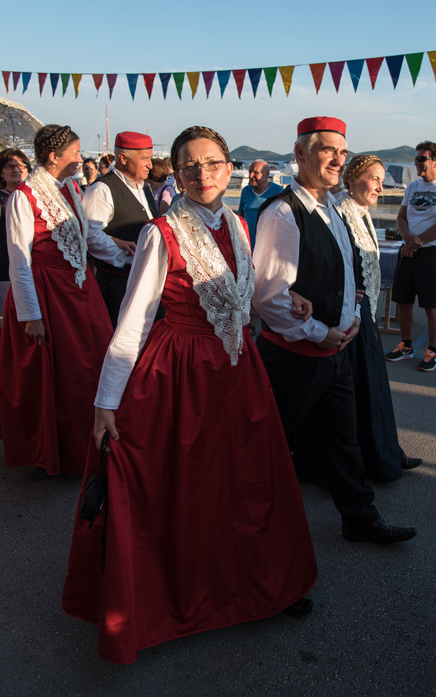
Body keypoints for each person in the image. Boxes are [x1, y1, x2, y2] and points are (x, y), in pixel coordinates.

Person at [62, 125, 317, 665]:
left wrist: (292, 303)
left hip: (237, 371)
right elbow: (133, 321)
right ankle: (181, 598)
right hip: (180, 374)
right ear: (174, 175)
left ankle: (257, 585)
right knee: (187, 491)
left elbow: (243, 298)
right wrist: (107, 401)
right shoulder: (162, 232)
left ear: (229, 168)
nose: (203, 174)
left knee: (247, 480)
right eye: (189, 166)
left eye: (212, 163)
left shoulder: (241, 225)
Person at [253, 116, 417, 545]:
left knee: (343, 440)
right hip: (295, 358)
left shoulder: (332, 209)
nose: (337, 159)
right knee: (266, 450)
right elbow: (269, 296)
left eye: (342, 152)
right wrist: (315, 330)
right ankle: (252, 541)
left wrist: (354, 313)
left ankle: (359, 520)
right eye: (327, 150)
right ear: (300, 154)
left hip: (334, 351)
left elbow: (344, 274)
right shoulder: (283, 214)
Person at [0, 125, 129, 475]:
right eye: (74, 152)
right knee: (65, 372)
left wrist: (126, 256)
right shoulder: (23, 198)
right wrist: (30, 314)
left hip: (77, 287)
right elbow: (19, 260)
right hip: (47, 292)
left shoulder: (69, 188)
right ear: (55, 157)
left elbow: (86, 239)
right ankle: (67, 452)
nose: (79, 157)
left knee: (93, 362)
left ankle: (95, 440)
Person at [291, 155, 422, 482]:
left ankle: (383, 449)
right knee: (357, 391)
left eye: (381, 179)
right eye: (373, 178)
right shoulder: (341, 212)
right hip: (349, 312)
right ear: (351, 180)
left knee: (371, 387)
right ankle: (363, 458)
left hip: (364, 311)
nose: (380, 185)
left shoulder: (359, 213)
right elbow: (326, 262)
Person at [385, 141, 436, 372]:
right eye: (416, 159)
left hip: (431, 252)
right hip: (408, 248)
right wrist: (408, 239)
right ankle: (406, 346)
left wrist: (417, 243)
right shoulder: (412, 186)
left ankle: (433, 351)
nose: (416, 163)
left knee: (430, 304)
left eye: (421, 159)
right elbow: (401, 217)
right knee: (403, 300)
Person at [83, 132, 158, 327]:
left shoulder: (145, 188)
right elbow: (91, 236)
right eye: (145, 159)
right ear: (123, 159)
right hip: (118, 284)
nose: (150, 165)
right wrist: (127, 254)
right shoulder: (102, 190)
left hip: (145, 281)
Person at [0, 148, 31, 317]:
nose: (16, 169)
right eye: (10, 166)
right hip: (5, 269)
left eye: (21, 165)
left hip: (32, 268)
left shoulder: (32, 197)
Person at [237, 159, 283, 248]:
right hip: (248, 245)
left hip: (270, 246)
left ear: (266, 174)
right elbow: (241, 216)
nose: (251, 176)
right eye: (250, 172)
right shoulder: (246, 191)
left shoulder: (278, 191)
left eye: (255, 172)